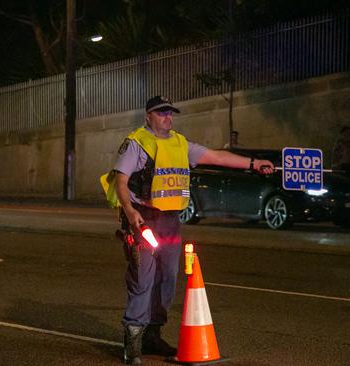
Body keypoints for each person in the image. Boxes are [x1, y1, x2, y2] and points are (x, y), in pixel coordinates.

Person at [100, 96, 274, 365]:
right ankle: (133, 341)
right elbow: (121, 181)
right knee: (142, 278)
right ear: (148, 116)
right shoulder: (137, 143)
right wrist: (129, 210)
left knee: (167, 279)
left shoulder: (182, 144)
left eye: (170, 113)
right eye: (161, 113)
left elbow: (216, 156)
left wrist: (253, 164)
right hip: (143, 219)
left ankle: (152, 335)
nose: (167, 117)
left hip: (170, 220)